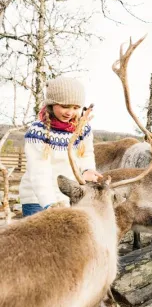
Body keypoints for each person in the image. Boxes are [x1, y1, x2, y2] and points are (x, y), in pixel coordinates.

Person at [19, 76, 101, 217]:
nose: (70, 112)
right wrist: (50, 203)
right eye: (65, 106)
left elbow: (87, 153)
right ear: (51, 104)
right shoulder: (38, 131)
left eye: (75, 107)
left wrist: (87, 169)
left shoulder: (82, 128)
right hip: (37, 199)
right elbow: (39, 171)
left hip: (67, 195)